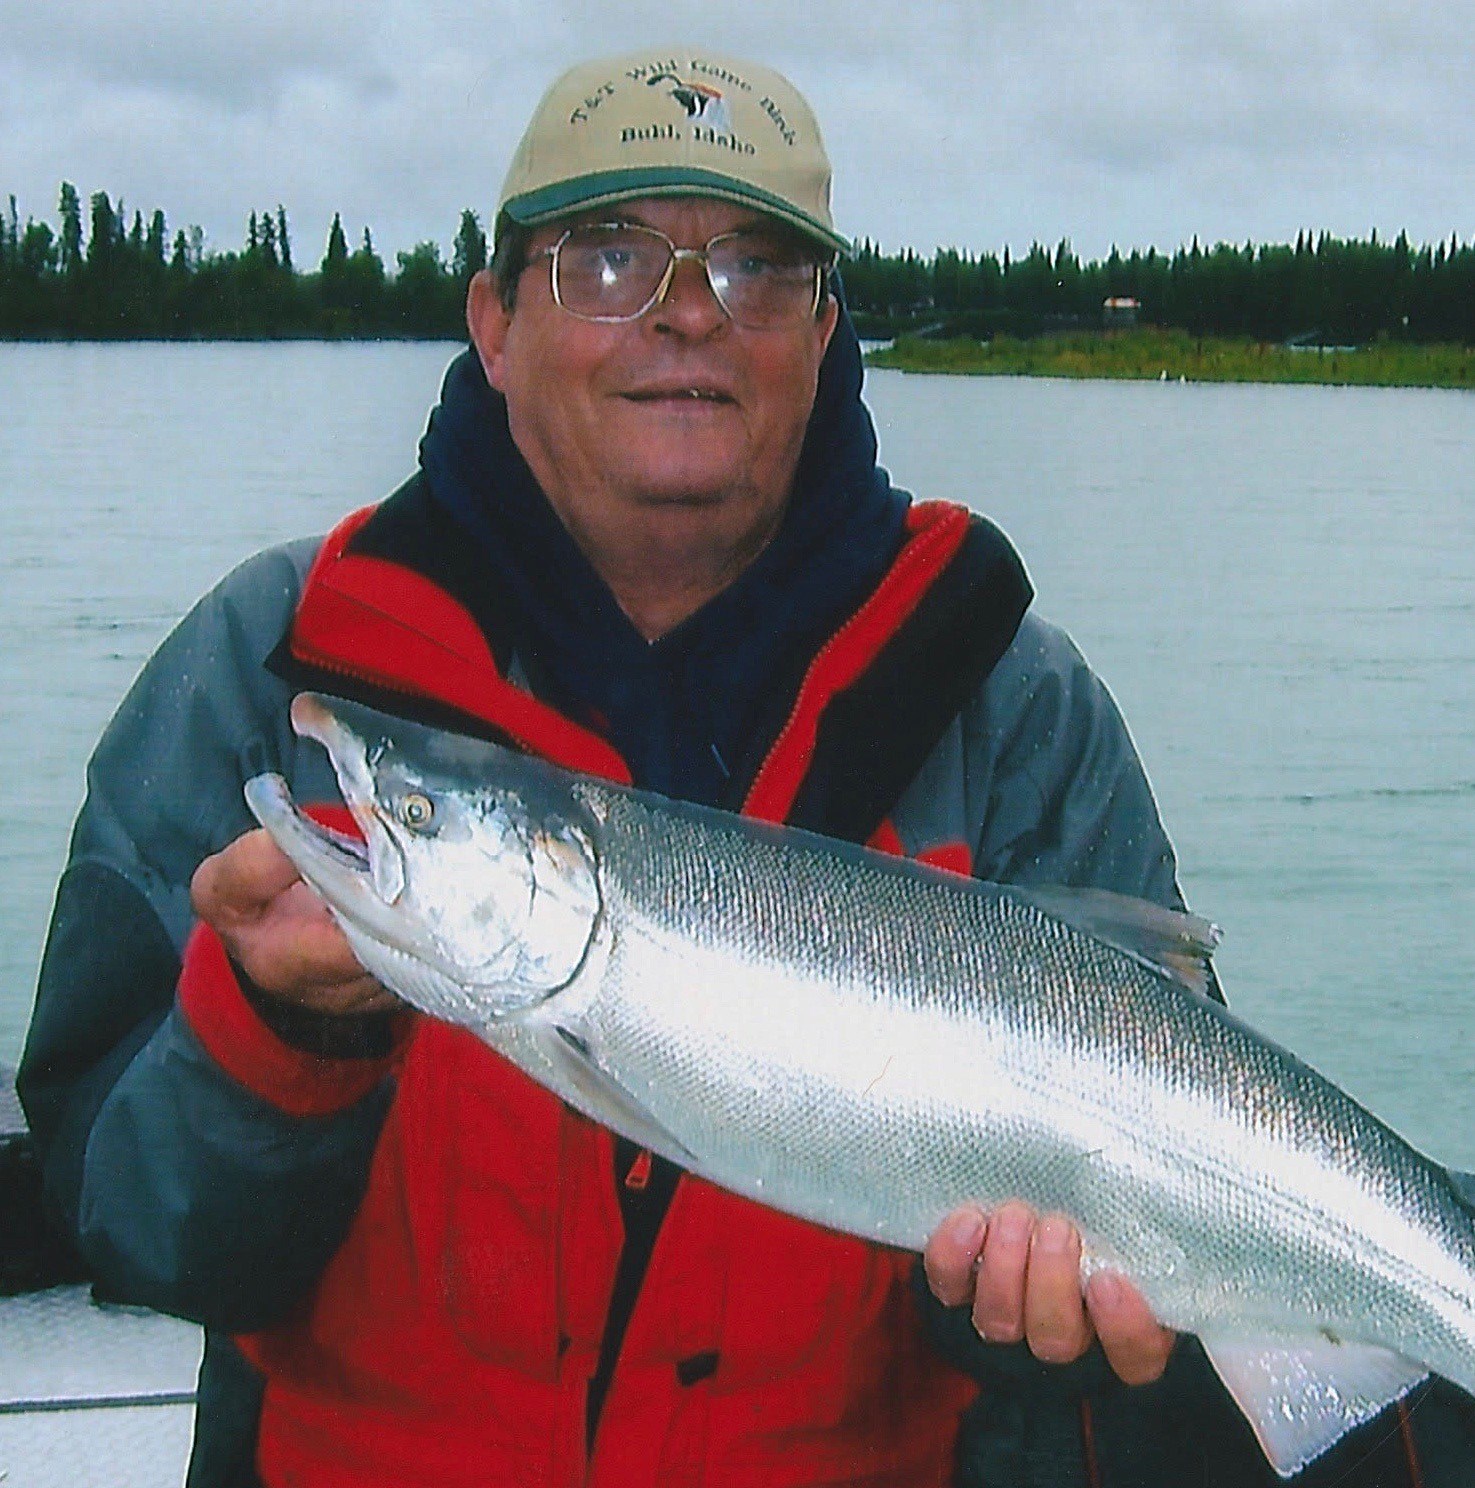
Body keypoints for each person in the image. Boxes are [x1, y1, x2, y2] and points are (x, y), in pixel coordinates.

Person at [18, 47, 1474, 1488]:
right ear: (496, 319)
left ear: (827, 329)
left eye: (758, 267)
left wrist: (1053, 1323)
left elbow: (1087, 1357)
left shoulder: (1011, 704)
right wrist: (280, 1033)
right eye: (608, 258)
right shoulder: (277, 662)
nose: (688, 317)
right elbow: (132, 1232)